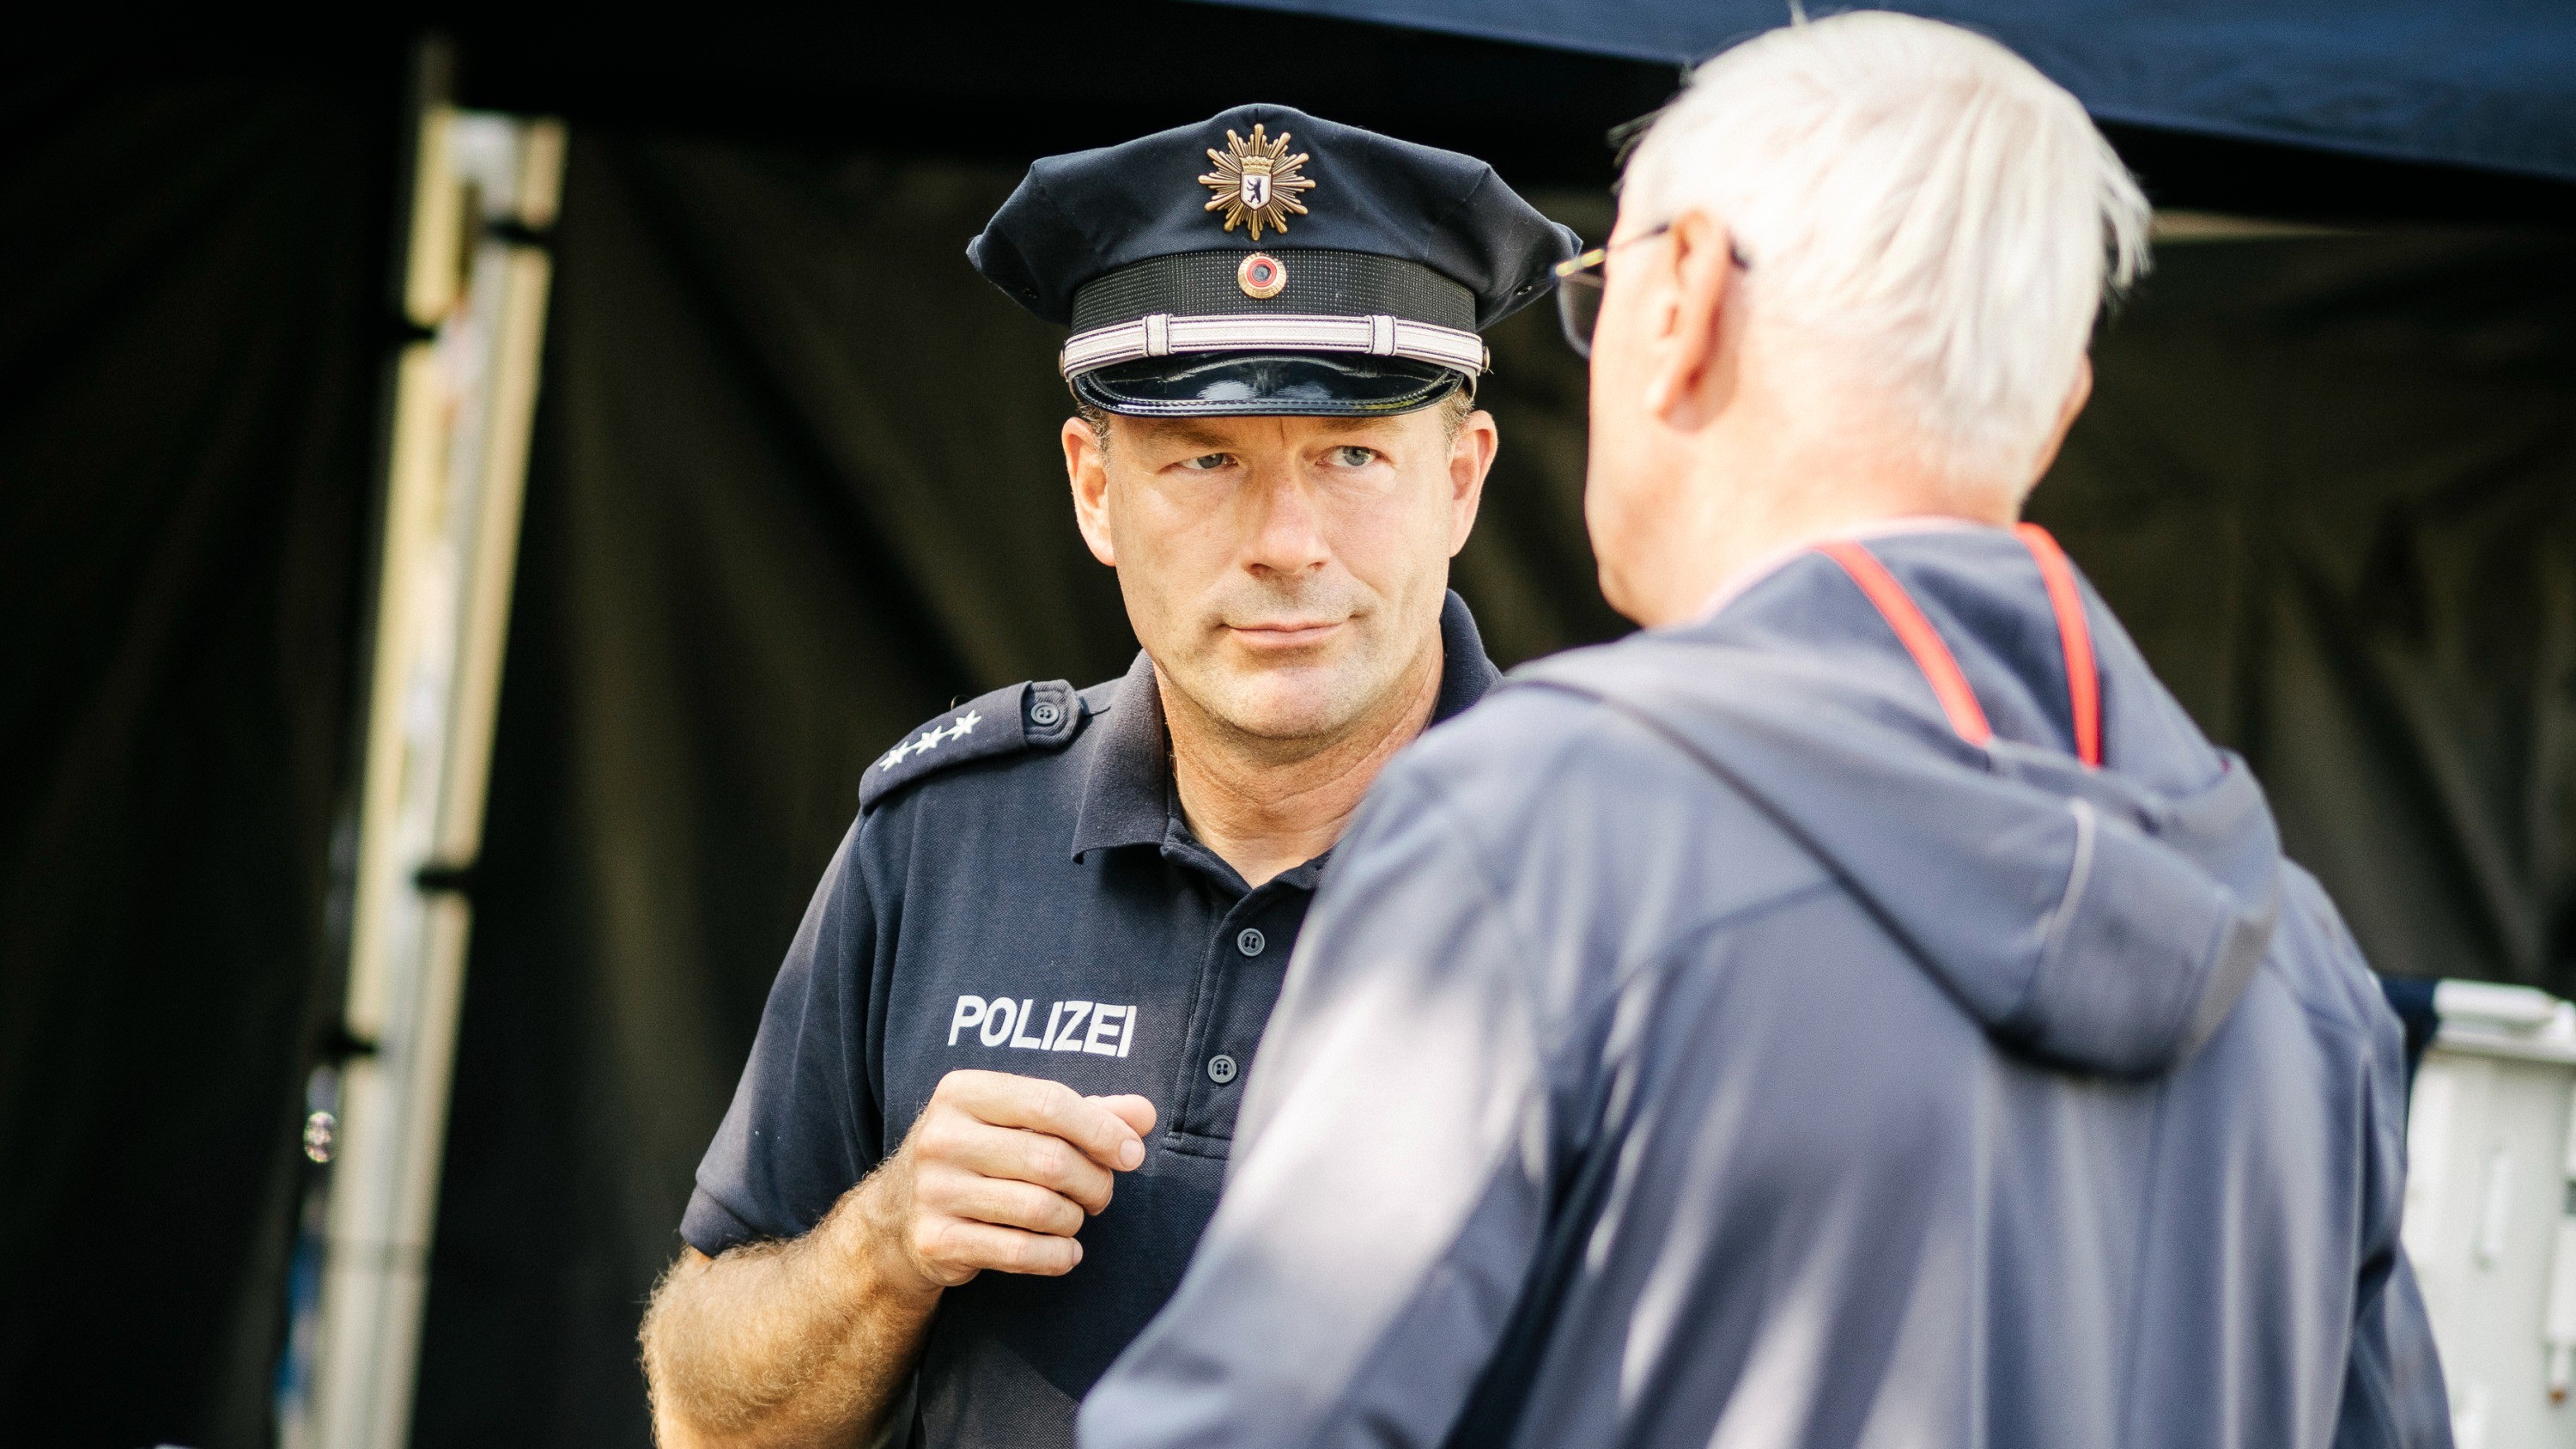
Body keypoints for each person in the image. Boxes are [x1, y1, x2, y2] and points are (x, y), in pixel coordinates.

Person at [1084, 16, 2452, 1449]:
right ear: (2058, 403)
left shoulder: (1547, 830)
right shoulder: (2307, 980)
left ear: (1675, 302)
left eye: (1596, 290)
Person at [637, 105, 1576, 1448]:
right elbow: (704, 1418)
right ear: (1093, 488)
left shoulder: (1613, 877)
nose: (1286, 543)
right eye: (1206, 460)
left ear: (1463, 481)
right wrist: (887, 1244)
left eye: (1354, 454)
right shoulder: (943, 838)